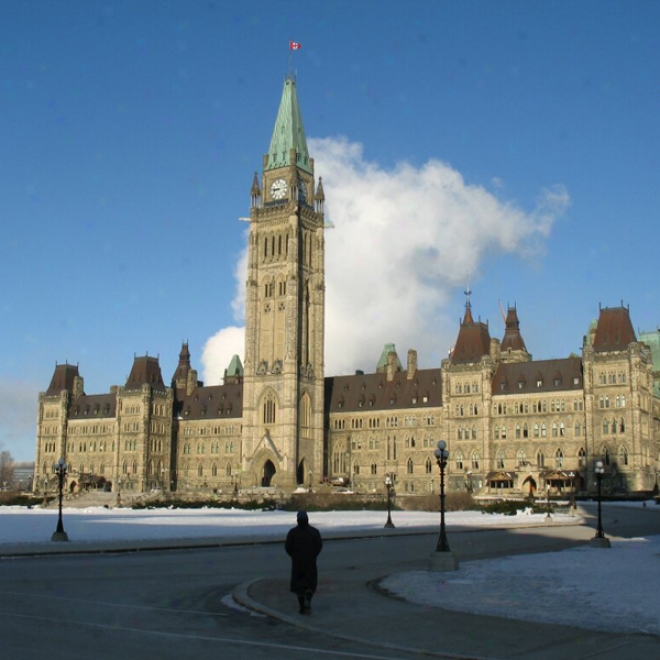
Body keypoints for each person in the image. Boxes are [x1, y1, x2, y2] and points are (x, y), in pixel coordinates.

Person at [285, 510, 322, 614]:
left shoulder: (293, 533)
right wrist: (313, 555)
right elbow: (319, 545)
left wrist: (294, 555)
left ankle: (302, 607)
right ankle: (308, 599)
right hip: (310, 562)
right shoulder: (314, 532)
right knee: (310, 583)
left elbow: (288, 547)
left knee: (299, 586)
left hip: (297, 563)